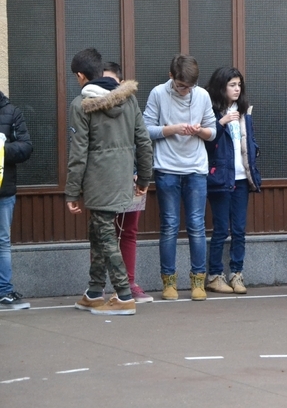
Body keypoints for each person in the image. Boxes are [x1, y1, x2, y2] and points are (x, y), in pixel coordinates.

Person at [67, 48, 153, 315]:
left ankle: (124, 295)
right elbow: (144, 141)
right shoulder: (129, 100)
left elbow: (78, 152)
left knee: (105, 237)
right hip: (123, 178)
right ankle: (94, 292)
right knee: (98, 233)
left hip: (97, 182)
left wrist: (72, 192)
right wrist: (145, 177)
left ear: (81, 76)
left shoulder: (81, 105)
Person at [144, 55, 216, 301]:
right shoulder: (158, 93)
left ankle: (198, 282)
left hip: (196, 168)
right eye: (181, 85)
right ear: (171, 76)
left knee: (197, 225)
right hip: (167, 168)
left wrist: (200, 131)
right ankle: (169, 283)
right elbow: (146, 129)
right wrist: (173, 129)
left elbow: (213, 132)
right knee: (169, 225)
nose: (186, 90)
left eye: (190, 86)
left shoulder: (202, 95)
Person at [204, 67, 262, 294]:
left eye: (239, 85)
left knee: (239, 229)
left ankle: (236, 274)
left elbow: (249, 142)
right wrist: (222, 122)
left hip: (242, 178)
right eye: (232, 85)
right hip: (220, 177)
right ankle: (214, 275)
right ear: (221, 87)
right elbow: (207, 143)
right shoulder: (211, 110)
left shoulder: (244, 111)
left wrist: (254, 153)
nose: (237, 89)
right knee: (220, 229)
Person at [102, 62, 152, 303]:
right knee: (102, 233)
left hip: (130, 176)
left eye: (111, 82)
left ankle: (129, 283)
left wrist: (142, 175)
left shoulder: (131, 104)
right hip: (101, 180)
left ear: (121, 83)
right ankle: (98, 287)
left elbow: (142, 140)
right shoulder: (90, 104)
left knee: (128, 231)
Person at [0, 88, 33, 310]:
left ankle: (4, 291)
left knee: (2, 241)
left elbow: (26, 147)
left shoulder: (11, 112)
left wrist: (2, 148)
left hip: (4, 191)